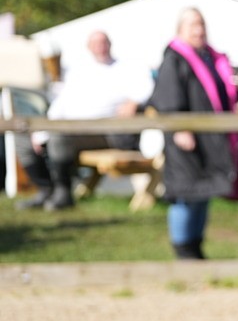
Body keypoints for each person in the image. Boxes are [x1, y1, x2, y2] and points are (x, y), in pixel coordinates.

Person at [18, 30, 153, 211]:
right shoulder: (79, 71)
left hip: (109, 133)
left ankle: (63, 193)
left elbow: (148, 87)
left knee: (59, 137)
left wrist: (134, 102)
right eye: (95, 43)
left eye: (103, 42)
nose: (100, 47)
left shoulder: (125, 68)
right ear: (89, 47)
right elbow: (61, 103)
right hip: (77, 129)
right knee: (23, 138)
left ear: (110, 44)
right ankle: (45, 189)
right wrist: (42, 130)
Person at [148, 8, 238, 259]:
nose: (199, 30)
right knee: (185, 194)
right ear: (180, 29)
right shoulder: (174, 58)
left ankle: (196, 246)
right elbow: (166, 97)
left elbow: (221, 94)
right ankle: (183, 248)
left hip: (208, 140)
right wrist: (180, 128)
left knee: (202, 194)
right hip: (184, 139)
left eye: (201, 24)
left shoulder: (210, 58)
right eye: (192, 25)